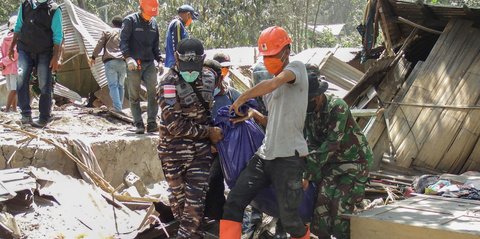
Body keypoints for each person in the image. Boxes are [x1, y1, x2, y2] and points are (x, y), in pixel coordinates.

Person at [220, 26, 310, 239]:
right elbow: (276, 122)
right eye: (266, 56)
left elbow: (273, 83)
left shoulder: (296, 68)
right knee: (234, 202)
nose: (269, 60)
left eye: (273, 55)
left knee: (290, 219)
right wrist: (253, 115)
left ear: (286, 51)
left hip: (289, 157)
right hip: (265, 154)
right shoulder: (272, 88)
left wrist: (242, 97)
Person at [157, 38, 223, 238]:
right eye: (185, 65)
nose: (190, 70)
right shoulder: (168, 84)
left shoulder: (210, 79)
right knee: (180, 205)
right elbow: (175, 125)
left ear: (203, 59)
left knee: (194, 206)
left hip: (199, 154)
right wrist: (208, 133)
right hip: (172, 153)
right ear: (176, 58)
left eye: (195, 65)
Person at [304, 65, 373, 239]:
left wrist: (307, 174)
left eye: (310, 100)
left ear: (318, 95)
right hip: (330, 164)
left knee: (340, 208)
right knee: (321, 209)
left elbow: (331, 144)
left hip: (354, 162)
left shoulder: (337, 107)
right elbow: (311, 144)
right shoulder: (308, 112)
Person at [10, 0, 63, 127]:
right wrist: (12, 46)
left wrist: (56, 57)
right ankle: (25, 114)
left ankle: (44, 117)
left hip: (45, 51)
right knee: (21, 80)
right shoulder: (25, 5)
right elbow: (18, 26)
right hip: (25, 49)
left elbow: (58, 35)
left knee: (44, 84)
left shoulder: (54, 9)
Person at [202, 59, 241, 221]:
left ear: (220, 79)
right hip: (205, 149)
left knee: (222, 183)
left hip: (228, 149)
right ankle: (214, 218)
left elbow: (244, 121)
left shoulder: (232, 95)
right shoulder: (196, 96)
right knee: (211, 184)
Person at [120, 0, 161, 134]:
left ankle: (151, 123)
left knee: (153, 94)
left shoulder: (154, 23)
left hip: (149, 63)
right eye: (149, 14)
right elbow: (123, 42)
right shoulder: (130, 21)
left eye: (152, 15)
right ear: (141, 9)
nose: (150, 17)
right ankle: (138, 124)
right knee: (134, 95)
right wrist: (128, 58)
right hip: (134, 63)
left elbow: (156, 46)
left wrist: (159, 61)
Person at [90, 16, 126, 112]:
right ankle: (119, 107)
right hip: (123, 61)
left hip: (110, 61)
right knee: (121, 85)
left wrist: (93, 56)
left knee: (113, 85)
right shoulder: (125, 33)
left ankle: (117, 108)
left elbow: (99, 45)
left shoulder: (107, 32)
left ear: (112, 24)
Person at [164, 4, 199, 68]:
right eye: (191, 18)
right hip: (175, 64)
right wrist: (178, 62)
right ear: (188, 15)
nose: (191, 21)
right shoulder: (177, 24)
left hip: (174, 63)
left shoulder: (177, 24)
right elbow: (178, 45)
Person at [1, 16, 19, 113]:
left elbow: (2, 52)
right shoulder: (16, 38)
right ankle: (8, 109)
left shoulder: (4, 38)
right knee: (14, 89)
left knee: (12, 89)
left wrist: (2, 62)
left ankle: (14, 109)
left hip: (6, 67)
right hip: (14, 67)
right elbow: (16, 53)